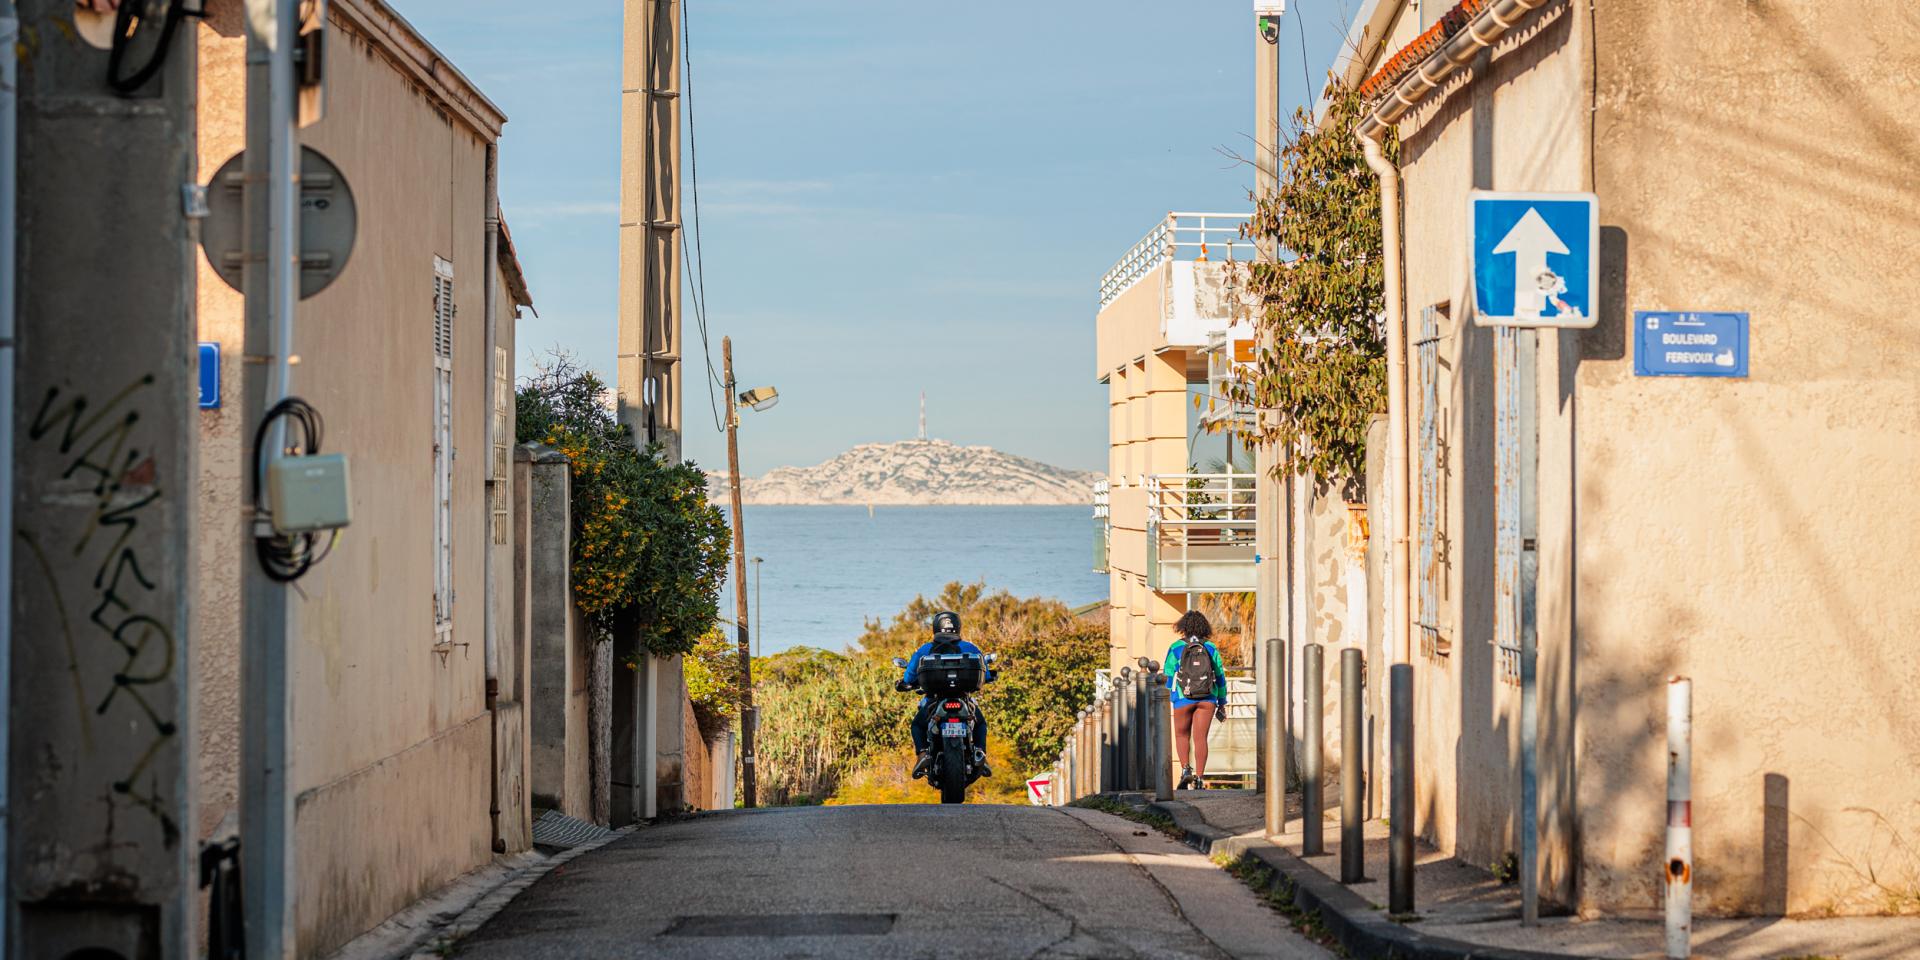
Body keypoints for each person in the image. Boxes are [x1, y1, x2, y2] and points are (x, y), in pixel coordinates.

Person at [902, 610, 993, 780]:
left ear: (936, 627)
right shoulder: (970, 648)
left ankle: (923, 754)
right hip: (964, 699)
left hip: (934, 700)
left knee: (917, 725)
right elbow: (986, 674)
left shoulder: (925, 649)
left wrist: (905, 683)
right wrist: (988, 677)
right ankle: (980, 753)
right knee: (980, 724)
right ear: (957, 626)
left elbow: (909, 676)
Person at [1163, 610, 1226, 790]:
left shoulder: (1176, 647)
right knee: (1201, 738)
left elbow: (1168, 675)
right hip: (1208, 698)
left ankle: (1185, 770)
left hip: (1183, 697)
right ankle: (1199, 777)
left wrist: (1171, 697)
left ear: (1183, 627)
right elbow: (1220, 676)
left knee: (1182, 735)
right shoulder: (1211, 648)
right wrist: (1222, 702)